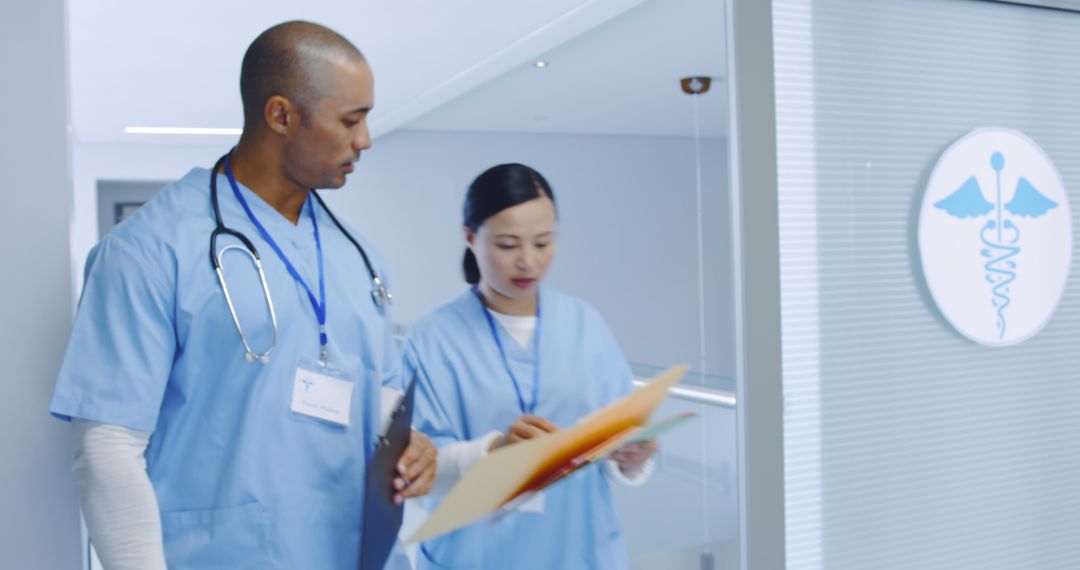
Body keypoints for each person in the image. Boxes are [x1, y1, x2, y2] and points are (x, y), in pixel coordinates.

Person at [49, 21, 435, 570]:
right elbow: (106, 450)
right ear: (280, 115)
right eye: (351, 119)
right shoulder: (150, 250)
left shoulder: (357, 257)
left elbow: (377, 398)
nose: (365, 139)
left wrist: (411, 444)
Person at [402, 163, 658, 569]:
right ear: (470, 238)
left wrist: (634, 456)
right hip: (476, 555)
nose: (528, 262)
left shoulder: (586, 325)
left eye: (543, 243)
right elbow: (422, 465)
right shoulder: (431, 339)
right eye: (507, 245)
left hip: (579, 550)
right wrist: (494, 452)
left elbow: (618, 433)